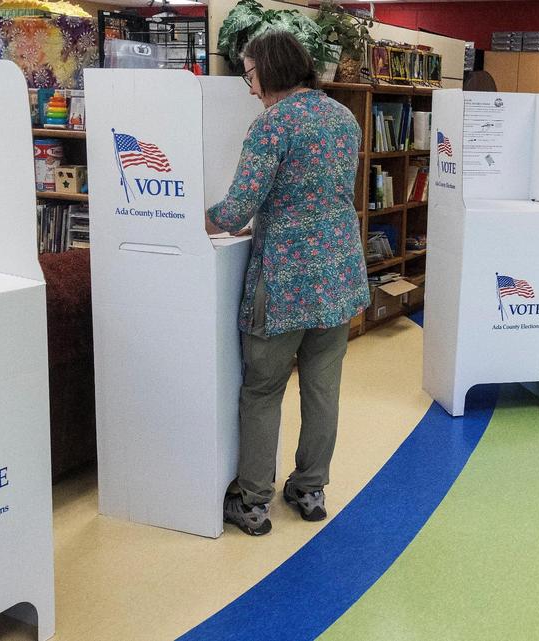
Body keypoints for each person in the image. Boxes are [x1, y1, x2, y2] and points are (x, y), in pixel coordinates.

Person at [205, 31, 367, 536]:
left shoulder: (272, 126)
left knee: (263, 390)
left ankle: (253, 500)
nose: (249, 87)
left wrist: (194, 218)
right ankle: (310, 488)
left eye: (249, 74)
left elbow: (236, 210)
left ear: (270, 70)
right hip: (338, 276)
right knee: (323, 389)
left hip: (283, 283)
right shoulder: (344, 118)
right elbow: (328, 193)